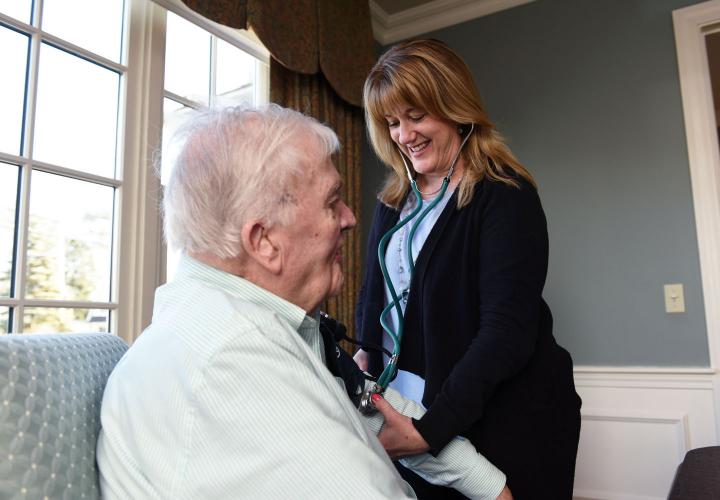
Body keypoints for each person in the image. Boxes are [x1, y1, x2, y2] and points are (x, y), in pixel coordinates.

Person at [96, 104, 512, 499]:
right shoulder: (234, 359)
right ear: (264, 241)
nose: (350, 218)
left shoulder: (250, 321)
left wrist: (491, 486)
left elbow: (374, 405)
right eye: (332, 201)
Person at [355, 39, 582, 500]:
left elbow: (506, 333)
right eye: (393, 122)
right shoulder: (394, 201)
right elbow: (373, 293)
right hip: (409, 406)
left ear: (454, 107)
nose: (404, 134)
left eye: (416, 116)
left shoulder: (504, 193)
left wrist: (432, 429)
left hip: (502, 417)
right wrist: (365, 359)